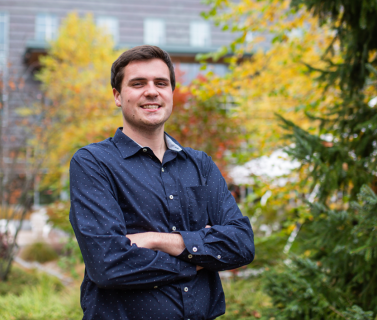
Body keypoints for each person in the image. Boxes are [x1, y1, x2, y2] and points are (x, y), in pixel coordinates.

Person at [69, 45, 254, 320]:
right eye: (138, 83)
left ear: (170, 93)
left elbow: (240, 244)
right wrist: (197, 257)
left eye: (161, 83)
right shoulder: (94, 163)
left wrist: (155, 240)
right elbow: (107, 263)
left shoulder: (200, 164)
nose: (152, 91)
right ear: (117, 96)